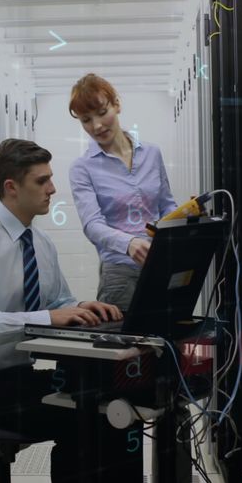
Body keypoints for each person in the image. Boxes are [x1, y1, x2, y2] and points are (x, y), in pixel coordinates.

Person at [0, 138, 141, 483]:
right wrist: (48, 317)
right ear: (11, 187)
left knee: (115, 406)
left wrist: (79, 307)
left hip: (17, 380)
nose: (52, 188)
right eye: (41, 181)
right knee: (86, 416)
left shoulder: (40, 243)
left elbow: (57, 301)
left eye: (51, 179)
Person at [68, 74, 178, 311]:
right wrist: (129, 243)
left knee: (167, 341)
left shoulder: (152, 154)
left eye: (101, 112)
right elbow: (92, 225)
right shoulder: (82, 168)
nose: (96, 125)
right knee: (127, 345)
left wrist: (183, 222)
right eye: (86, 120)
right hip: (119, 273)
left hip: (161, 264)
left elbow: (167, 204)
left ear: (116, 104)